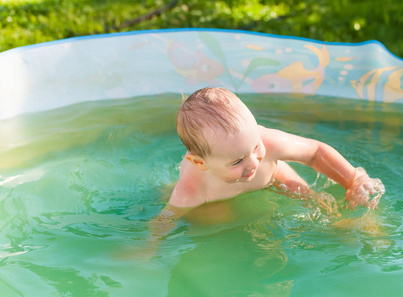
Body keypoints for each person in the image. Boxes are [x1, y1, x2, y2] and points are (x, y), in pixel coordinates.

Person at [143, 87, 384, 257]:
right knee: (216, 219)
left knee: (308, 196)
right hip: (216, 197)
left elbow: (315, 152)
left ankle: (350, 227)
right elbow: (165, 220)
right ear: (199, 163)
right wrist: (147, 249)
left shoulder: (267, 144)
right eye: (237, 160)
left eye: (255, 146)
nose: (253, 162)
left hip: (273, 175)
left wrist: (354, 178)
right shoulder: (193, 188)